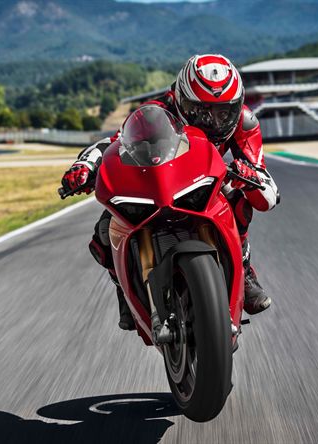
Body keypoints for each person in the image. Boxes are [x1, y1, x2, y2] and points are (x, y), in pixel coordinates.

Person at [61, 54, 279, 330]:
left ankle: (244, 272)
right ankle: (124, 288)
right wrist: (85, 165)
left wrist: (250, 178)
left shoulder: (244, 123)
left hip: (208, 180)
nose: (212, 121)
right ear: (180, 99)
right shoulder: (155, 112)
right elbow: (114, 144)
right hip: (160, 180)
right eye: (201, 112)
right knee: (105, 230)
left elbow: (266, 190)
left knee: (239, 201)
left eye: (222, 112)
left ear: (236, 106)